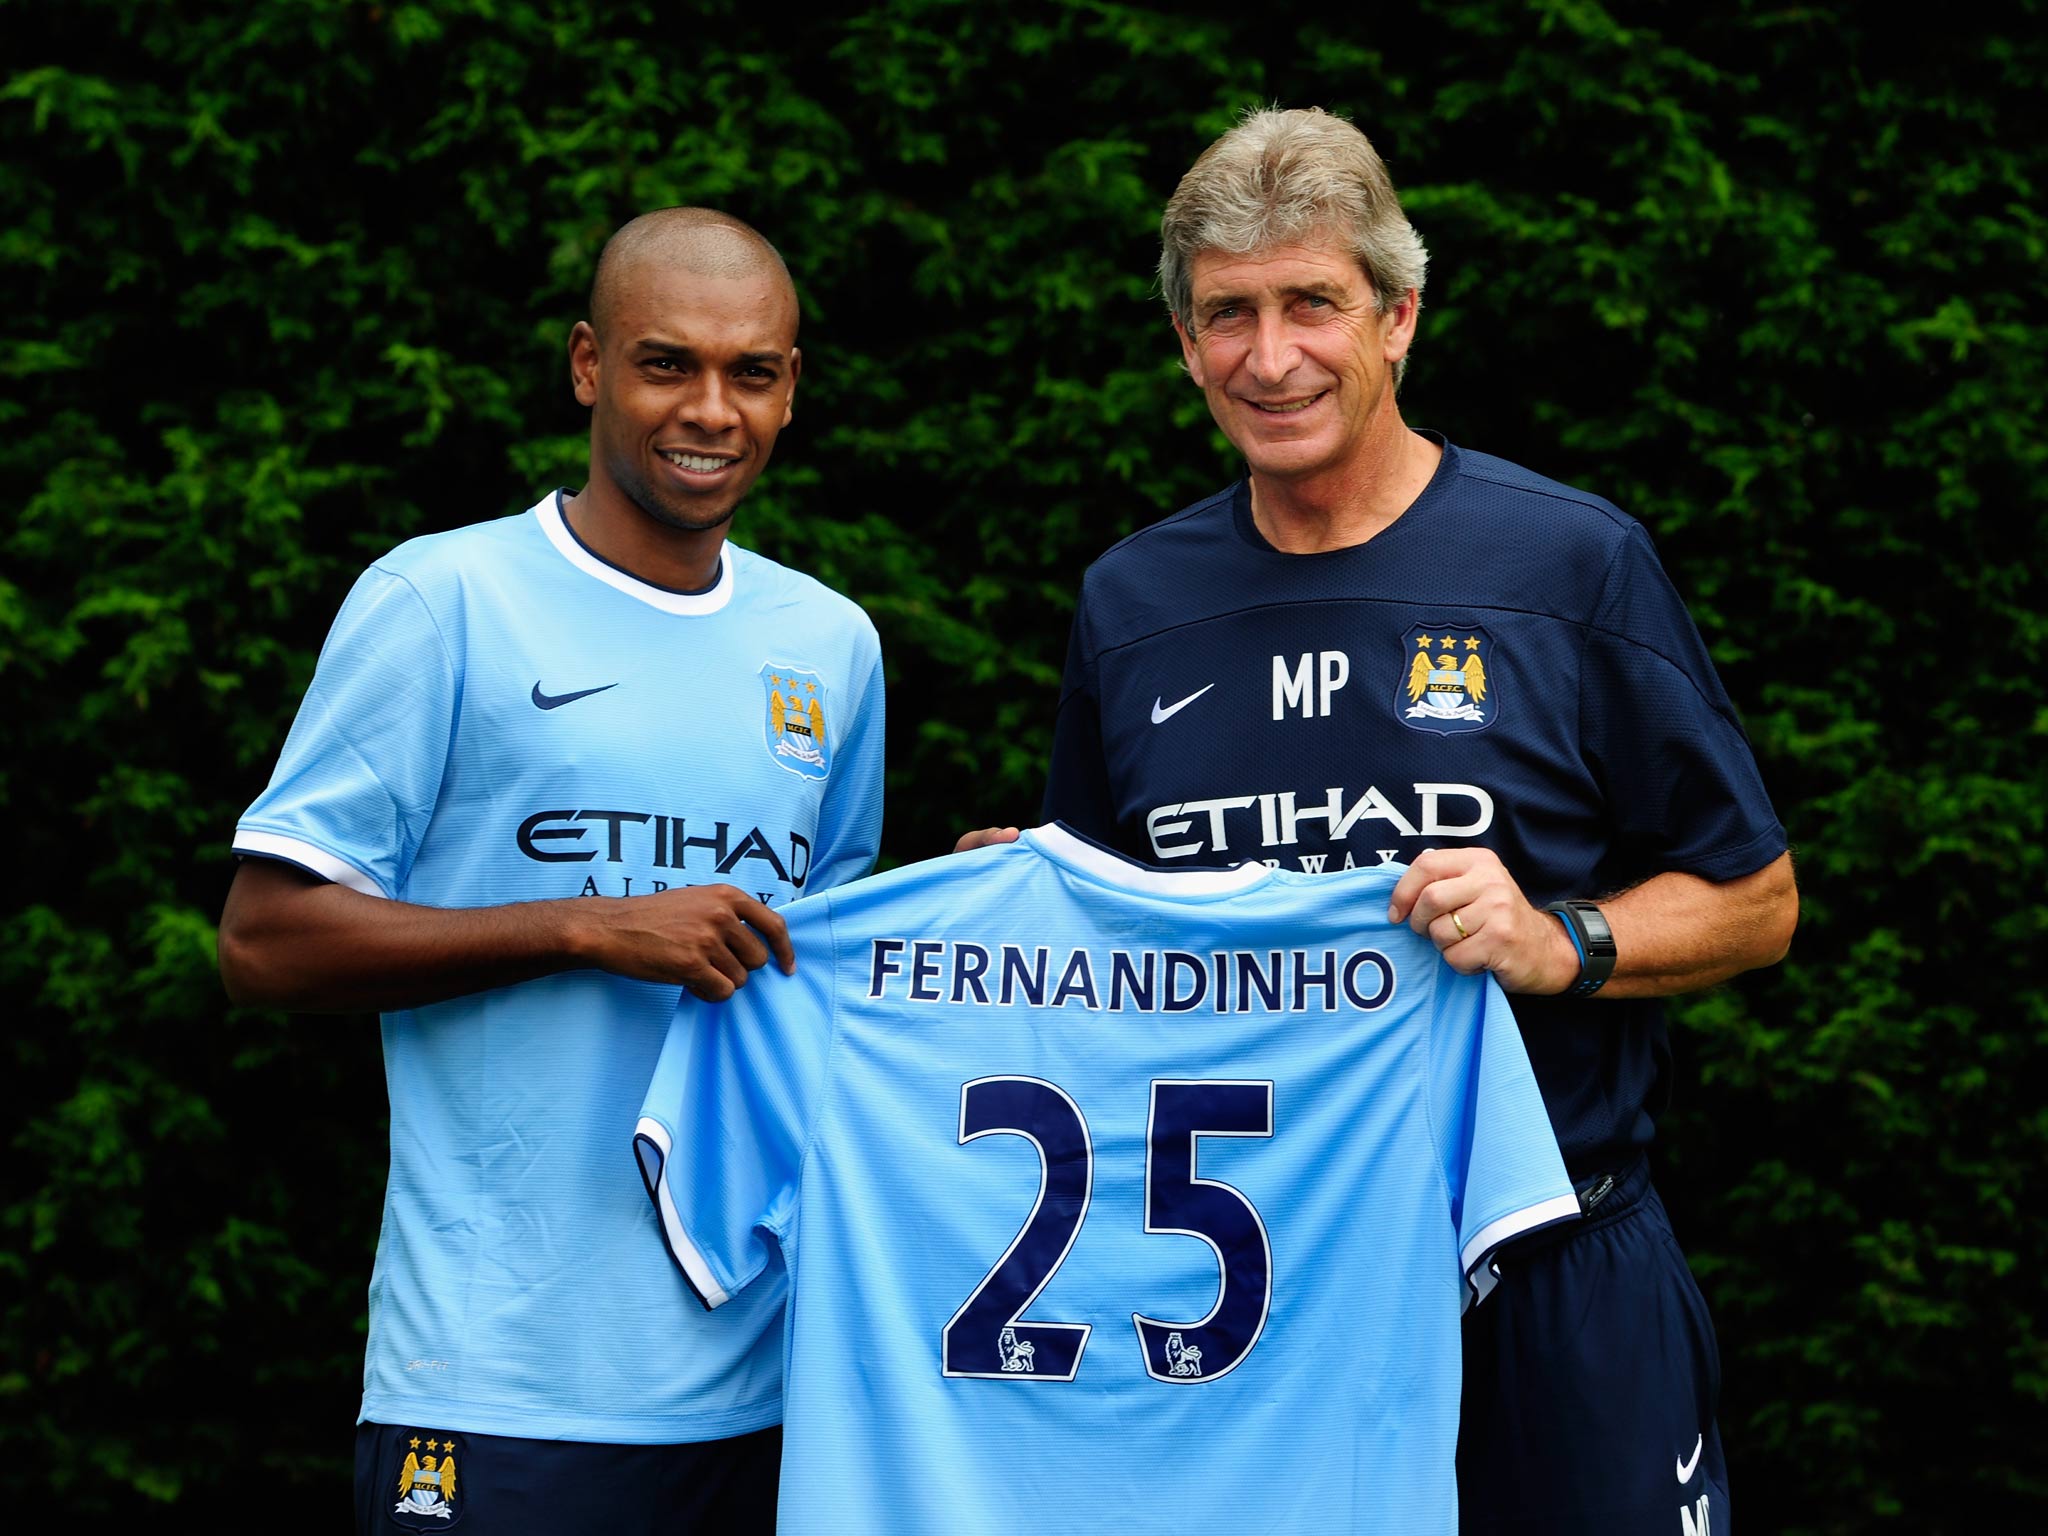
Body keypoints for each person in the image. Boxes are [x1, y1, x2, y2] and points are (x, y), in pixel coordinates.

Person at [981, 107, 1798, 1533]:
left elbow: (1757, 897)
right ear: (1185, 342)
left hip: (1556, 1256)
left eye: (1314, 303)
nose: (1271, 355)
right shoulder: (1133, 604)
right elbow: (1107, 966)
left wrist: (1566, 940)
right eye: (1228, 314)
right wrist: (1019, 908)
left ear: (1400, 316)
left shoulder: (1570, 560)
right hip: (1249, 1289)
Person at [216, 208, 885, 1533]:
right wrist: (584, 929)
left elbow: (826, 971)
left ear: (792, 389)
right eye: (665, 364)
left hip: (765, 1394)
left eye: (751, 373)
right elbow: (263, 940)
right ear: (588, 366)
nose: (711, 409)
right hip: (494, 1392)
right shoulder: (443, 600)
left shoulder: (832, 645)